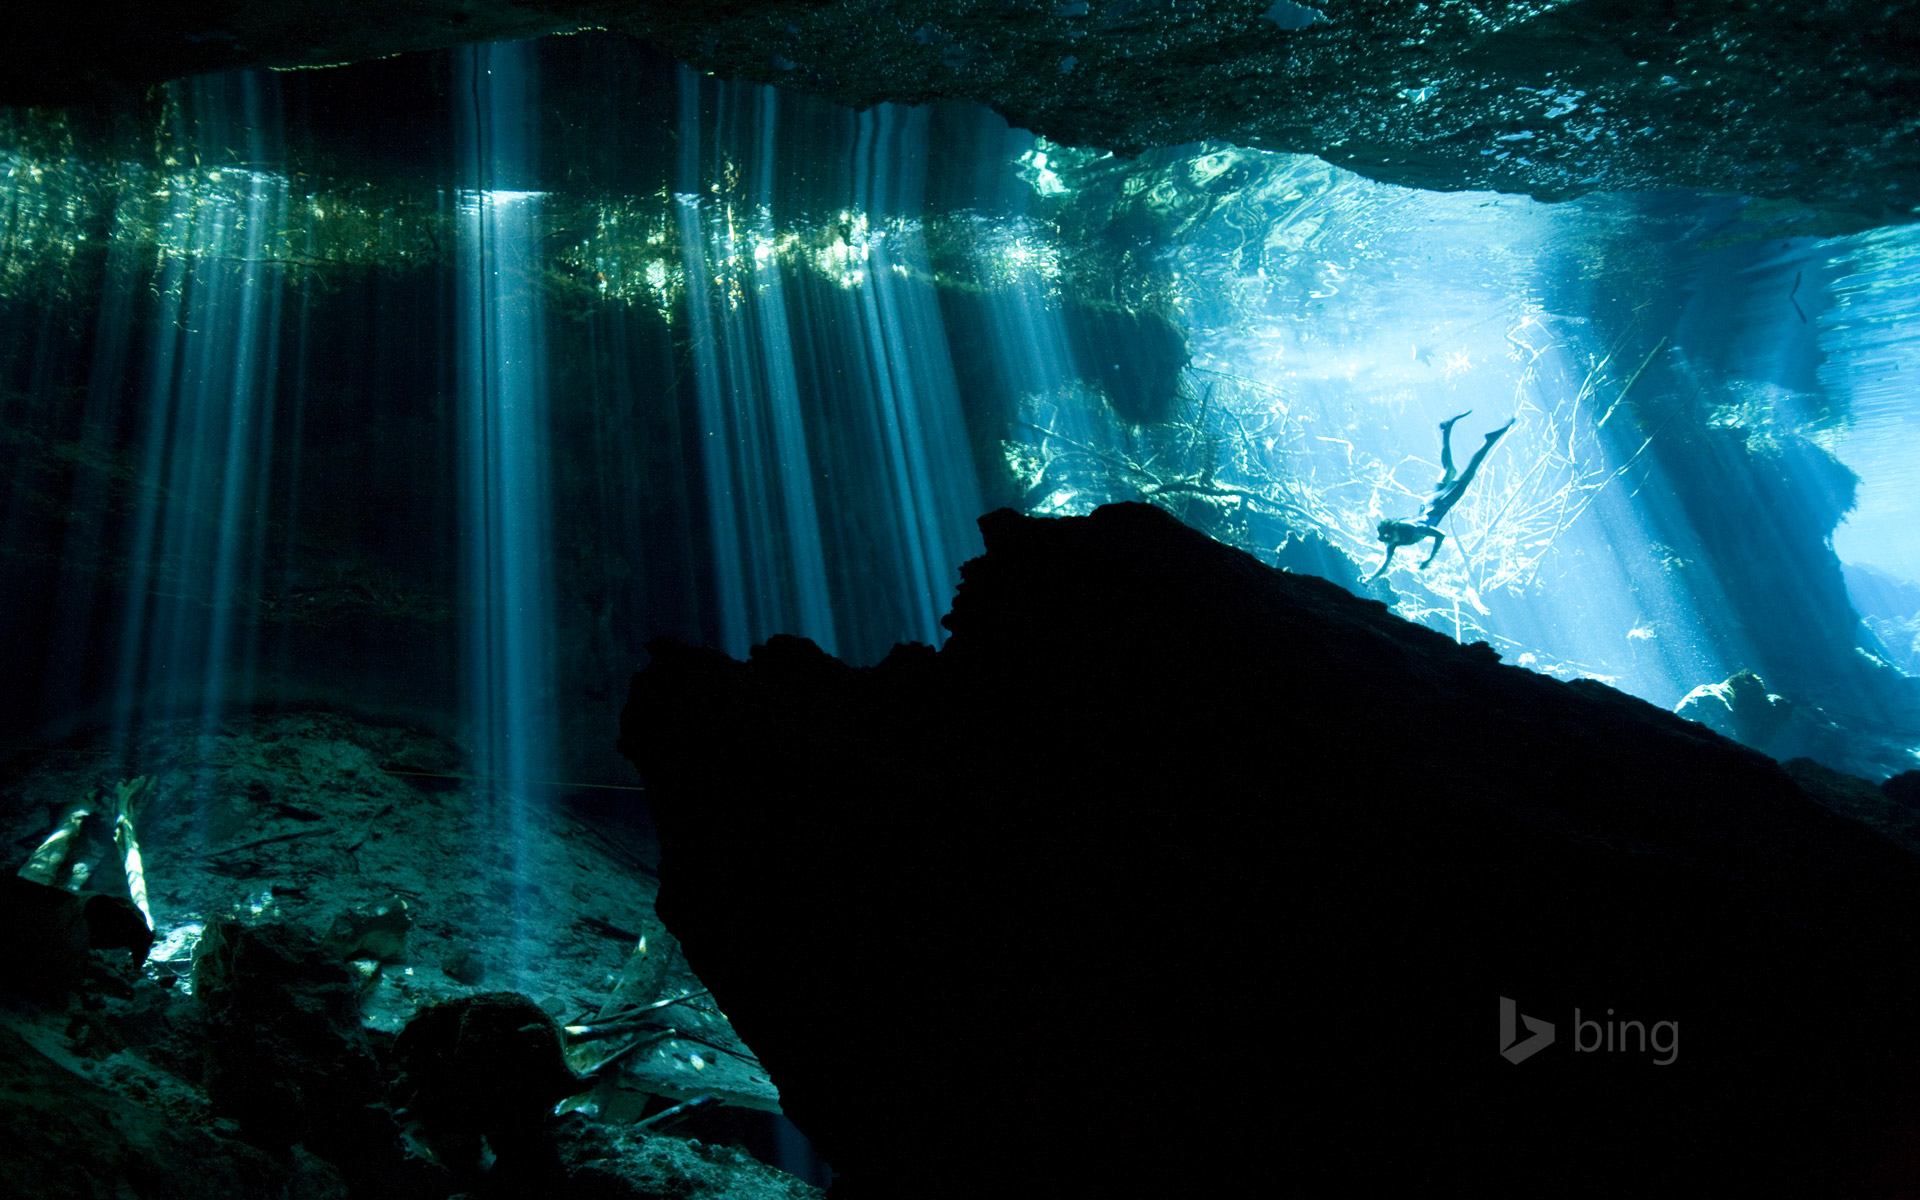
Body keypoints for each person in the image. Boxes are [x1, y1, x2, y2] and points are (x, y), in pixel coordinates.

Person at [1367, 411, 1515, 582]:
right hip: (1429, 503)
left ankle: (1488, 441)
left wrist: (1430, 559)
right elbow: (1384, 564)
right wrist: (1370, 579)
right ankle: (1446, 430)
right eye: (1386, 540)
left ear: (1393, 530)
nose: (1388, 542)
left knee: (1469, 472)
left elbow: (1440, 534)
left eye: (1387, 538)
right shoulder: (1393, 543)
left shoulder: (1412, 529)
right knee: (1448, 470)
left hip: (1438, 505)